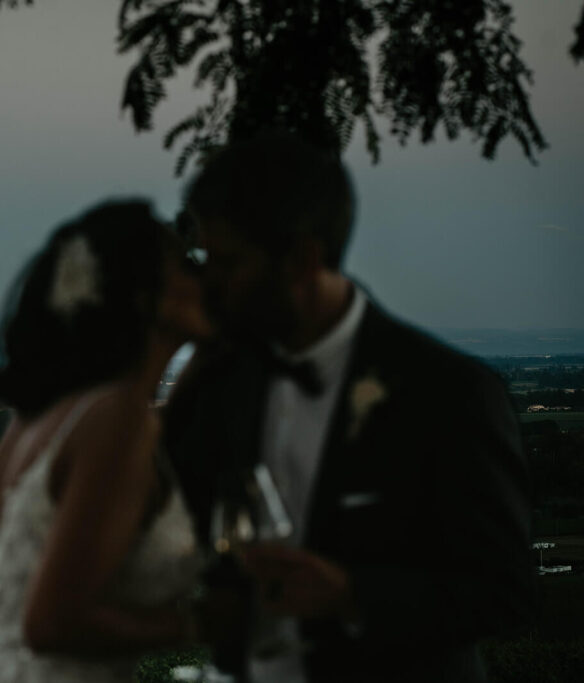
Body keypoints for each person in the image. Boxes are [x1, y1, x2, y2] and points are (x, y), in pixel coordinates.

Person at [163, 132, 534, 682]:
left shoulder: (449, 394)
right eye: (206, 259)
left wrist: (355, 595)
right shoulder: (223, 379)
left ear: (303, 258)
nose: (209, 283)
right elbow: (172, 511)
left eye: (230, 263)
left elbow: (506, 593)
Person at [0, 199, 213, 682]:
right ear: (143, 295)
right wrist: (204, 624)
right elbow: (52, 623)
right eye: (187, 265)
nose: (204, 279)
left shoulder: (44, 413)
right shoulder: (115, 417)